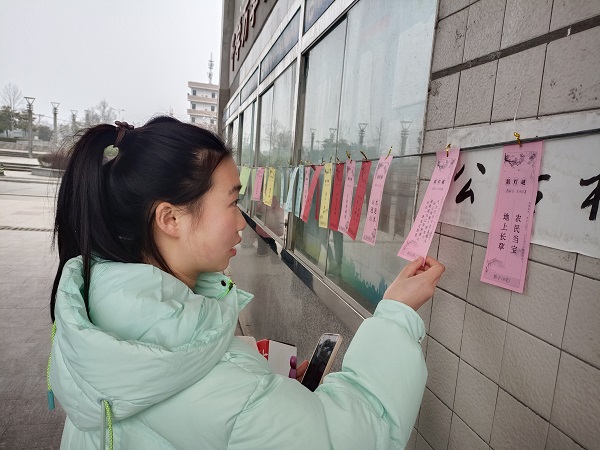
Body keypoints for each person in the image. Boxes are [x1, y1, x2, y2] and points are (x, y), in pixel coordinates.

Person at [48, 116, 445, 450]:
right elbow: (361, 435)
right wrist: (396, 316)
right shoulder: (231, 390)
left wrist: (276, 398)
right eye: (232, 201)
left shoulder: (97, 317)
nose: (242, 221)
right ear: (171, 219)